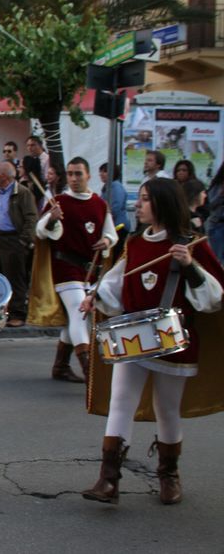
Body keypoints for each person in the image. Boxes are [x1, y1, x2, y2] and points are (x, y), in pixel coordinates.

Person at [80, 178, 224, 505]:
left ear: (163, 203)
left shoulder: (191, 245)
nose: (139, 205)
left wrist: (190, 267)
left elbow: (213, 298)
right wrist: (94, 297)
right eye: (141, 198)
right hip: (133, 337)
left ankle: (169, 475)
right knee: (121, 402)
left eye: (145, 199)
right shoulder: (134, 244)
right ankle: (108, 480)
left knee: (167, 410)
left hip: (174, 341)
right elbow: (115, 283)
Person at [29, 157, 117, 384]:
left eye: (78, 173)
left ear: (88, 175)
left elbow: (111, 233)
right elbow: (40, 231)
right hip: (65, 268)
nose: (74, 178)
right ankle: (89, 370)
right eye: (70, 174)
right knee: (80, 312)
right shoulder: (58, 202)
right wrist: (51, 220)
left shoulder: (100, 204)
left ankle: (60, 366)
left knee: (75, 320)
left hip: (90, 270)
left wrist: (107, 241)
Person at [0, 162, 38, 326]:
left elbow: (31, 217)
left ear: (3, 176)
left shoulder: (22, 193)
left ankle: (18, 314)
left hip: (13, 239)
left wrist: (24, 240)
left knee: (15, 277)